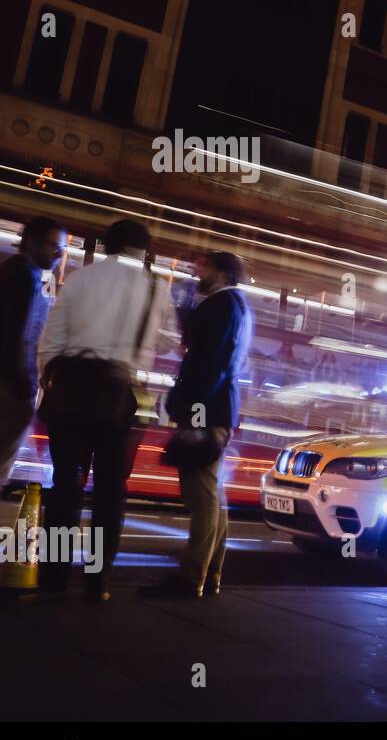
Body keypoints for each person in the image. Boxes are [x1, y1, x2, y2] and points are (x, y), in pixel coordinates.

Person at [37, 219, 171, 602]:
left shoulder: (81, 279)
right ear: (143, 251)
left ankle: (55, 579)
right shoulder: (155, 289)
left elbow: (52, 341)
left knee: (65, 486)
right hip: (120, 393)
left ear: (108, 245)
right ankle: (98, 581)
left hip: (74, 388)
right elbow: (158, 345)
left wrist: (48, 381)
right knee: (111, 490)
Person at [142, 252, 252, 599]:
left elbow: (210, 366)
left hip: (208, 409)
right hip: (218, 408)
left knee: (201, 496)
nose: (196, 271)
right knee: (212, 496)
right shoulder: (236, 306)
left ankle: (192, 577)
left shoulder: (222, 306)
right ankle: (210, 573)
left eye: (203, 266)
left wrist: (198, 419)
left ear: (221, 272)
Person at [0, 216, 65, 482]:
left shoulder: (18, 272)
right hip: (9, 386)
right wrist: (24, 385)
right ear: (31, 243)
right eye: (52, 246)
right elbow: (17, 334)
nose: (58, 253)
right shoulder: (23, 276)